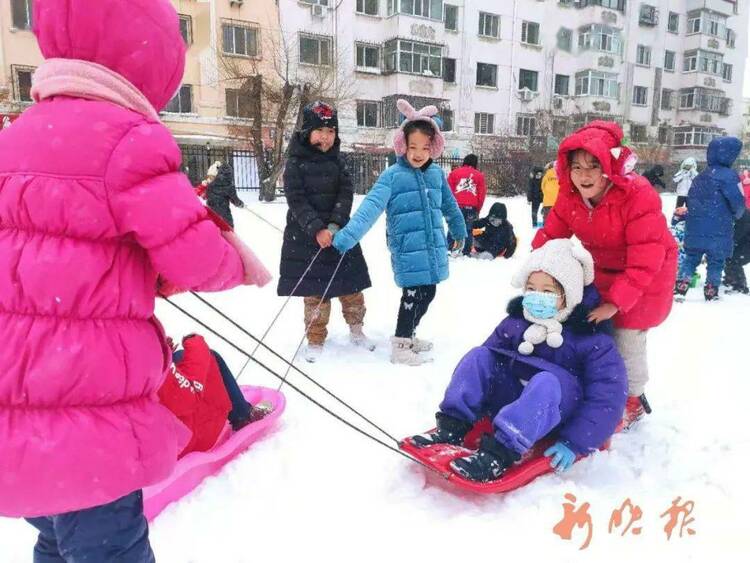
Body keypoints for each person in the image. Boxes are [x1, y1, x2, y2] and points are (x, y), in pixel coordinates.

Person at [0, 1, 268, 561]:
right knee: (108, 548)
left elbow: (54, 252)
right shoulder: (128, 138)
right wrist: (236, 262)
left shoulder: (15, 137)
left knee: (55, 536)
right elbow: (192, 254)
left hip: (16, 406)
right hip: (88, 412)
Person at [410, 240, 626, 482]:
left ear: (571, 294)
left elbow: (608, 397)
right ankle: (453, 424)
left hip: (551, 412)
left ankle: (501, 451)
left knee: (546, 381)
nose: (537, 297)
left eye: (547, 292)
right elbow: (485, 366)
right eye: (531, 289)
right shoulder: (516, 323)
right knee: (479, 356)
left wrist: (576, 442)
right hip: (510, 400)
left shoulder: (591, 339)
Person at [533, 121, 678, 429]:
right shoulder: (570, 196)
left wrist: (616, 303)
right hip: (602, 269)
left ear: (610, 166)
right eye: (577, 166)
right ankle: (597, 388)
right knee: (587, 330)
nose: (584, 175)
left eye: (594, 165)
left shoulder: (637, 195)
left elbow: (645, 258)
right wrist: (535, 272)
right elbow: (551, 236)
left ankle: (633, 399)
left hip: (648, 274)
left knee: (626, 335)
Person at [332, 99, 467, 365]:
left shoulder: (437, 175)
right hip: (407, 248)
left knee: (428, 293)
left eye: (425, 147)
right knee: (413, 295)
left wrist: (460, 229)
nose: (418, 153)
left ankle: (410, 334)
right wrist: (347, 237)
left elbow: (450, 205)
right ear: (402, 145)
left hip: (432, 248)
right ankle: (401, 345)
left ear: (434, 147)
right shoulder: (392, 176)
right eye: (412, 146)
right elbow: (370, 208)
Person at [279, 101, 373, 363]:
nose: (325, 136)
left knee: (351, 286)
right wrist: (317, 229)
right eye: (320, 130)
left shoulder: (338, 162)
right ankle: (315, 339)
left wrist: (334, 225)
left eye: (331, 131)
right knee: (315, 294)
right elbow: (296, 200)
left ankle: (357, 330)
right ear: (308, 131)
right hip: (307, 240)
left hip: (340, 236)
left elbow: (345, 194)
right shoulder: (295, 163)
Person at [159, 335, 273, 457]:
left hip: (146, 446)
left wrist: (160, 351)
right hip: (179, 443)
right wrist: (195, 343)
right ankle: (243, 415)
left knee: (179, 359)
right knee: (206, 356)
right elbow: (187, 393)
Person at [674, 137, 747, 301]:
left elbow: (691, 199)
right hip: (719, 228)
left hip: (695, 228)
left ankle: (681, 284)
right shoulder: (730, 177)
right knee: (716, 260)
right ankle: (711, 290)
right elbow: (738, 202)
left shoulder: (701, 175)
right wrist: (737, 215)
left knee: (691, 258)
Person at [447, 153, 487, 256]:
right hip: (471, 207)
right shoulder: (479, 176)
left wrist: (448, 205)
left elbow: (448, 191)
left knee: (453, 227)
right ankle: (466, 251)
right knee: (469, 229)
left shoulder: (454, 173)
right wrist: (478, 208)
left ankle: (448, 248)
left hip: (456, 206)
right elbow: (481, 194)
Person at [206, 160, 244, 228]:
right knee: (228, 230)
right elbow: (235, 199)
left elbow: (208, 196)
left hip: (211, 213)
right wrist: (240, 204)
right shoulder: (229, 185)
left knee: (214, 230)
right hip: (224, 214)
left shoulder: (211, 184)